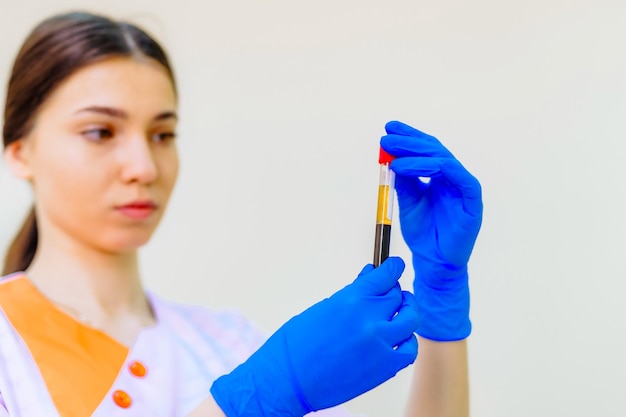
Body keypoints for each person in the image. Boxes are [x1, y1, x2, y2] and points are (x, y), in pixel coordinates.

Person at [0, 11, 482, 417]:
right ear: (19, 150)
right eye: (100, 132)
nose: (144, 167)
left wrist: (439, 306)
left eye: (162, 135)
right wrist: (252, 399)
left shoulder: (225, 342)